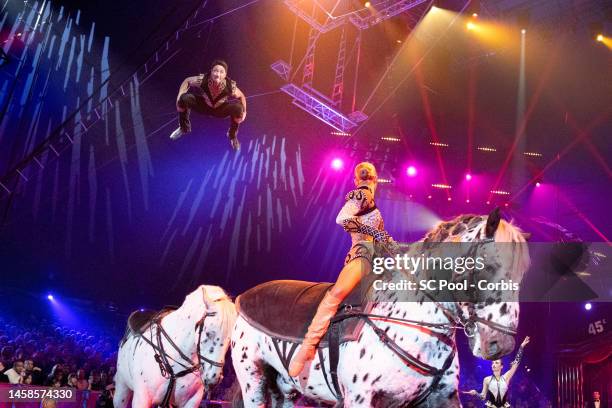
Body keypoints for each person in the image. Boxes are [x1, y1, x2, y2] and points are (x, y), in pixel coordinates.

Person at [288, 162, 396, 376]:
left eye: (368, 177)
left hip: (377, 260)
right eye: (362, 177)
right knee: (336, 294)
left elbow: (383, 240)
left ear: (374, 180)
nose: (365, 180)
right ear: (358, 181)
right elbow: (342, 219)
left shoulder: (371, 204)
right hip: (362, 255)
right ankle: (307, 347)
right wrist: (373, 233)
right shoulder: (362, 195)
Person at [169, 59, 247, 151]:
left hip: (220, 110)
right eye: (215, 71)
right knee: (184, 99)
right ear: (211, 72)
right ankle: (184, 127)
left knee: (238, 109)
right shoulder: (203, 80)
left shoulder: (230, 87)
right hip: (204, 106)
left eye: (221, 72)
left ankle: (232, 136)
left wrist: (244, 112)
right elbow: (187, 81)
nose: (218, 74)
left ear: (225, 75)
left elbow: (241, 96)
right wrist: (179, 97)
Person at [464, 337, 531, 407]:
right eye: (493, 363)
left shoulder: (506, 377)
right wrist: (476, 393)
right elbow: (483, 397)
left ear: (501, 366)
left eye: (496, 363)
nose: (494, 364)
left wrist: (521, 347)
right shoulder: (487, 379)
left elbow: (516, 363)